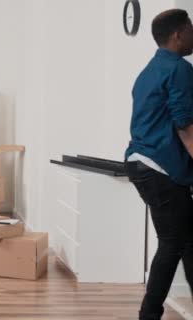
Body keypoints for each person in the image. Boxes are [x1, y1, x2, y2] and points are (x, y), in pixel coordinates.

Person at [125, 8, 193, 320]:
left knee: (187, 238)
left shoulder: (149, 70)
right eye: (191, 28)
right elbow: (184, 124)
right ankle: (148, 314)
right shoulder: (179, 67)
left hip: (142, 163)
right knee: (171, 243)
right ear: (178, 34)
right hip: (160, 167)